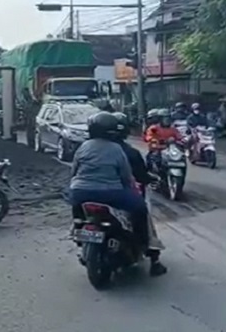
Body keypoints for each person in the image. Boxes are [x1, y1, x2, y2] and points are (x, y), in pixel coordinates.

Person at [68, 112, 159, 275]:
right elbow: (125, 175)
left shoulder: (83, 146)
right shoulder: (116, 149)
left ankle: (77, 226)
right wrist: (129, 189)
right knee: (140, 208)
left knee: (76, 205)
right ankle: (143, 242)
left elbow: (74, 170)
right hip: (111, 193)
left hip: (80, 192)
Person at [111, 112, 167, 276]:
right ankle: (153, 256)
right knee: (143, 216)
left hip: (90, 195)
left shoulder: (87, 148)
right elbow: (141, 175)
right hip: (124, 196)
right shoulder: (128, 152)